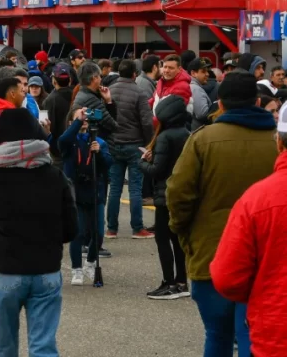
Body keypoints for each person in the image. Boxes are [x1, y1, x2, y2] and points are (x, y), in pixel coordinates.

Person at [168, 72, 277, 357]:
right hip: (266, 258)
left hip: (211, 253)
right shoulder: (276, 142)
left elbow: (178, 194)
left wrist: (184, 233)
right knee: (253, 338)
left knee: (217, 335)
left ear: (220, 104)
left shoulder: (202, 140)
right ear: (257, 101)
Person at [0, 106, 77, 357]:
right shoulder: (55, 176)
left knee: (6, 343)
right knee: (43, 345)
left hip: (5, 267)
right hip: (46, 268)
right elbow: (71, 228)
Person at [210, 104, 287, 357]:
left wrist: (262, 294)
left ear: (279, 143)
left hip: (275, 334)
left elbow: (227, 276)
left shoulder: (257, 199)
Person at [139, 96, 190, 300]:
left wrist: (142, 162)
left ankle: (169, 282)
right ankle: (181, 281)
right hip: (181, 193)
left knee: (162, 238)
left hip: (164, 194)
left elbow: (157, 171)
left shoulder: (164, 137)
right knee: (177, 239)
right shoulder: (187, 133)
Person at [58, 107, 112, 285]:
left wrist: (99, 153)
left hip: (95, 190)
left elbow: (107, 165)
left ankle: (90, 262)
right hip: (75, 193)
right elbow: (62, 140)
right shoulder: (69, 142)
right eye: (80, 119)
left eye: (86, 119)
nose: (84, 121)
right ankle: (77, 269)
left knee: (98, 232)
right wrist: (77, 121)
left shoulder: (98, 141)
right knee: (78, 232)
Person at [106, 60, 154, 239]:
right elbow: (147, 122)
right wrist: (149, 143)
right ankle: (137, 228)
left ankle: (111, 229)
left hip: (114, 143)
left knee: (115, 188)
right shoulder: (139, 93)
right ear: (134, 74)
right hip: (134, 144)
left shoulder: (110, 90)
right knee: (135, 187)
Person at [42, 63, 74, 168]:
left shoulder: (50, 100)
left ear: (54, 81)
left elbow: (48, 126)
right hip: (77, 146)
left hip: (57, 149)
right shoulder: (78, 96)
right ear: (70, 80)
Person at [188, 57, 215, 128]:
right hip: (197, 130)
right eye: (203, 71)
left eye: (207, 71)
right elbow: (202, 114)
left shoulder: (194, 87)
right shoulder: (195, 88)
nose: (207, 74)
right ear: (193, 73)